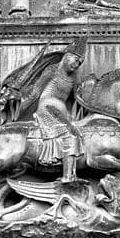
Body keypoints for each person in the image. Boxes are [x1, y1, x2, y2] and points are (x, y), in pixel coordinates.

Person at [32, 38, 87, 182]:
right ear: (67, 57)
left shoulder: (75, 77)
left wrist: (83, 92)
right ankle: (67, 176)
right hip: (47, 107)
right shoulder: (52, 70)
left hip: (62, 111)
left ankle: (71, 173)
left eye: (80, 63)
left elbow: (77, 99)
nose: (77, 65)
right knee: (69, 133)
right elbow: (35, 91)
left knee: (76, 131)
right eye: (76, 60)